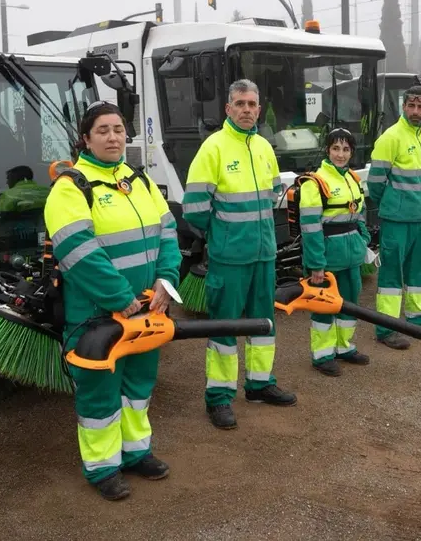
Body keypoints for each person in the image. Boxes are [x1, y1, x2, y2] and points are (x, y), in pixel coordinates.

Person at [43, 102, 182, 501]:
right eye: (103, 130)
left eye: (119, 129)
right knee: (99, 395)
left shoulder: (139, 180)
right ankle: (103, 468)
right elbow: (78, 252)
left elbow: (167, 232)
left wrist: (166, 282)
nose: (113, 137)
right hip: (98, 316)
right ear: (85, 138)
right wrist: (121, 299)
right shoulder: (71, 187)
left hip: (145, 308)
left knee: (138, 386)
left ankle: (136, 453)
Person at [182, 79, 296, 431]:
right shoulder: (213, 148)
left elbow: (274, 193)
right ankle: (218, 397)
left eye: (252, 104)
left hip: (263, 255)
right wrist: (226, 235)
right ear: (228, 109)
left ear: (259, 109)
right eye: (240, 103)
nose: (247, 109)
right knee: (225, 327)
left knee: (264, 322)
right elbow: (195, 210)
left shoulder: (263, 147)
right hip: (230, 257)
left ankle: (260, 384)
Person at [368, 85, 421, 350]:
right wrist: (392, 204)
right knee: (390, 275)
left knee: (417, 272)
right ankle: (387, 328)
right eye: (411, 106)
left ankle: (417, 317)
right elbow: (375, 184)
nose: (415, 111)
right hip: (396, 219)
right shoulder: (391, 137)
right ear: (403, 106)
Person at [297, 128, 373, 376]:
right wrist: (316, 264)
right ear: (327, 150)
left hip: (351, 255)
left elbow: (359, 214)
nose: (341, 154)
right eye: (336, 148)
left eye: (346, 149)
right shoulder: (314, 183)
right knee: (324, 306)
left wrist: (364, 239)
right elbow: (310, 229)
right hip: (328, 257)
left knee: (350, 303)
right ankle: (322, 355)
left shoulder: (352, 178)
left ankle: (344, 347)